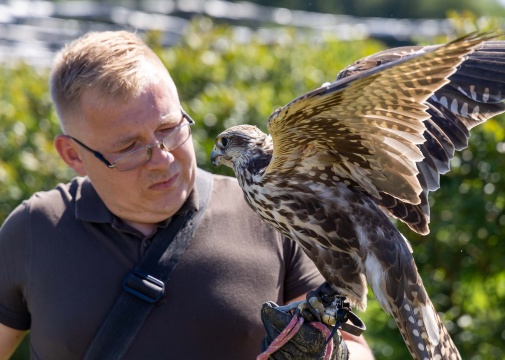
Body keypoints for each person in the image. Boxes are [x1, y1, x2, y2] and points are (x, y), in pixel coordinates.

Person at [0, 30, 372, 359]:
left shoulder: (275, 212)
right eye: (130, 146)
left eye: (169, 127)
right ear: (73, 155)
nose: (162, 158)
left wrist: (329, 353)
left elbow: (354, 348)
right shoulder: (33, 229)